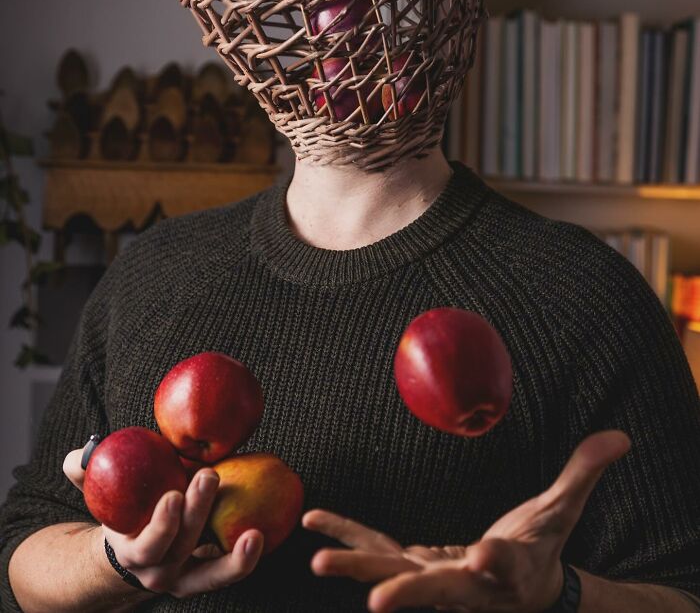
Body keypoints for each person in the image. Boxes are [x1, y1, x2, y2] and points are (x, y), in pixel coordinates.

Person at [1, 141, 700, 613]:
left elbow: (685, 587)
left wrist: (561, 594)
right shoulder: (151, 272)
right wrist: (117, 560)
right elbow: (22, 546)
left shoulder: (582, 291)